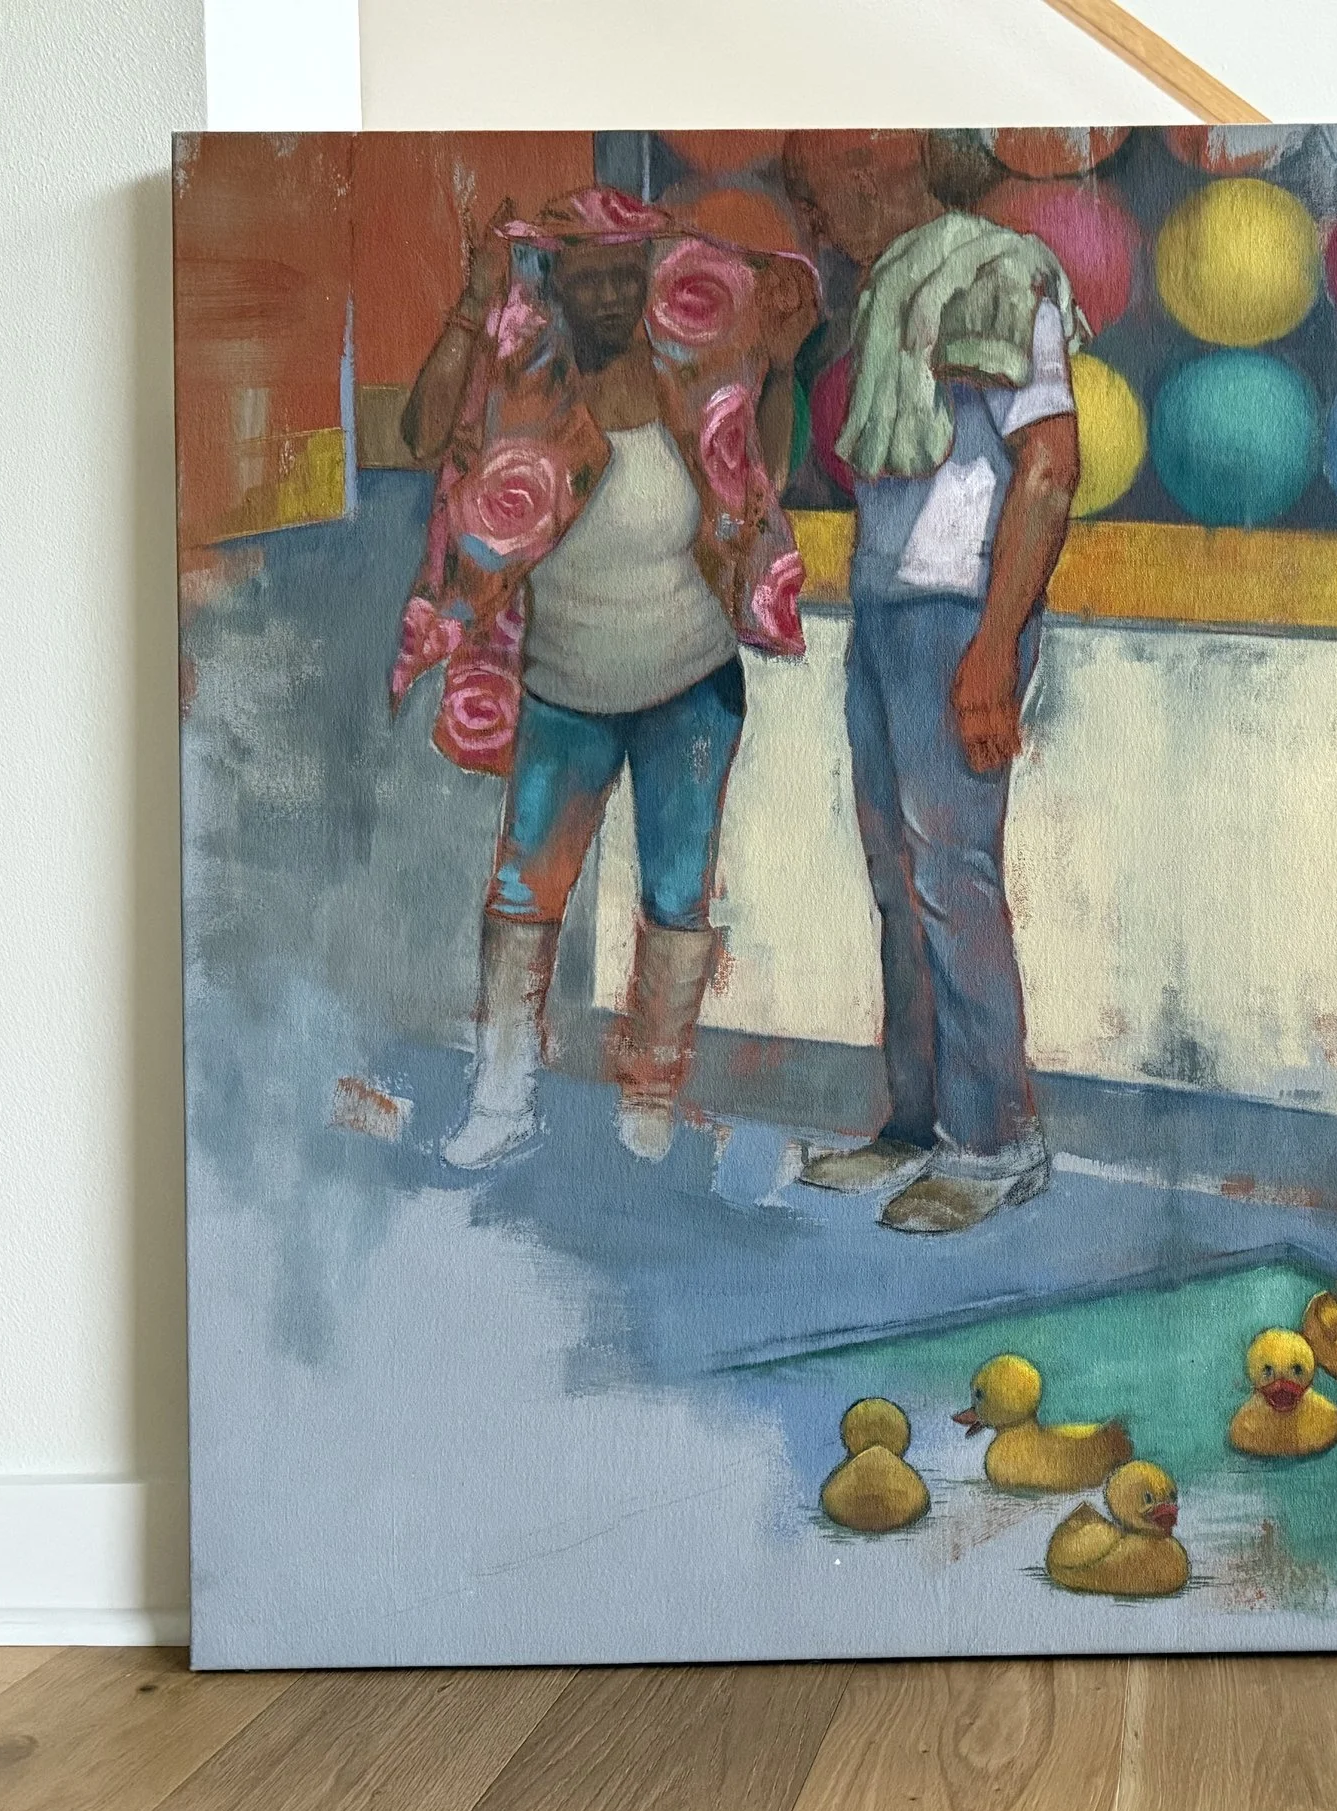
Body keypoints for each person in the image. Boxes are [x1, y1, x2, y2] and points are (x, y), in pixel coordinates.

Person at [395, 185, 818, 1169]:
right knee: (523, 893)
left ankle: (652, 1092)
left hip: (691, 688)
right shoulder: (518, 385)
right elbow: (419, 434)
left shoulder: (691, 380)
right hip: (564, 693)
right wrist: (470, 304)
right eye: (589, 278)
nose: (611, 297)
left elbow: (763, 482)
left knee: (677, 896)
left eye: (627, 276)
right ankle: (501, 1097)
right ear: (552, 283)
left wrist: (783, 369)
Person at [779, 133, 1083, 1235]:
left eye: (821, 198)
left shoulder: (1001, 275)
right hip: (888, 606)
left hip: (959, 614)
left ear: (880, 174)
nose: (817, 225)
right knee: (895, 876)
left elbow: (1050, 468)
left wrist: (994, 648)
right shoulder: (888, 293)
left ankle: (995, 1141)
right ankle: (917, 1124)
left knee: (952, 877)